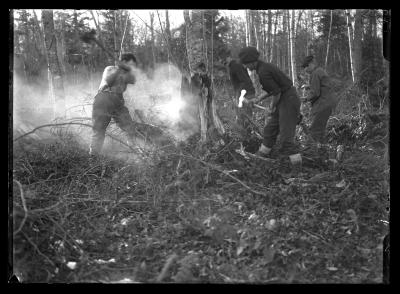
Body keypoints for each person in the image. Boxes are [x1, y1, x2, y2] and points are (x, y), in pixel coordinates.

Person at [238, 46, 302, 165]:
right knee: (270, 130)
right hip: (285, 98)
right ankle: (261, 156)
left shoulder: (263, 71)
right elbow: (271, 89)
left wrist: (272, 108)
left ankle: (298, 168)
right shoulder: (264, 68)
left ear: (252, 62)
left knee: (286, 139)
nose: (245, 67)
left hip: (288, 99)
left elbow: (276, 93)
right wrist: (256, 100)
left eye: (246, 64)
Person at [89, 53, 138, 156]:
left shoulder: (126, 73)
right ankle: (93, 158)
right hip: (104, 99)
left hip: (118, 101)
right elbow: (109, 80)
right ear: (124, 62)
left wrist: (126, 70)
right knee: (99, 131)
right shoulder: (110, 69)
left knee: (130, 128)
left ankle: (136, 154)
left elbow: (133, 80)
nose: (132, 66)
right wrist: (119, 68)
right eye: (131, 64)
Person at [301, 55, 337, 147]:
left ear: (310, 64)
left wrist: (305, 99)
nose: (305, 70)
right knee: (320, 131)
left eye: (305, 67)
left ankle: (312, 153)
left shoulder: (315, 73)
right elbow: (323, 85)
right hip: (328, 103)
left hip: (322, 104)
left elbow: (315, 93)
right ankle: (323, 152)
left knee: (314, 131)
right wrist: (308, 86)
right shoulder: (320, 71)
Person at [224, 53, 256, 137]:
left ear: (229, 57)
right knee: (243, 116)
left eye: (225, 59)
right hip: (245, 93)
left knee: (244, 116)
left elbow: (244, 81)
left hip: (246, 94)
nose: (224, 62)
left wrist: (240, 96)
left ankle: (247, 137)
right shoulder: (234, 66)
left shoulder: (235, 66)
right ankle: (246, 136)